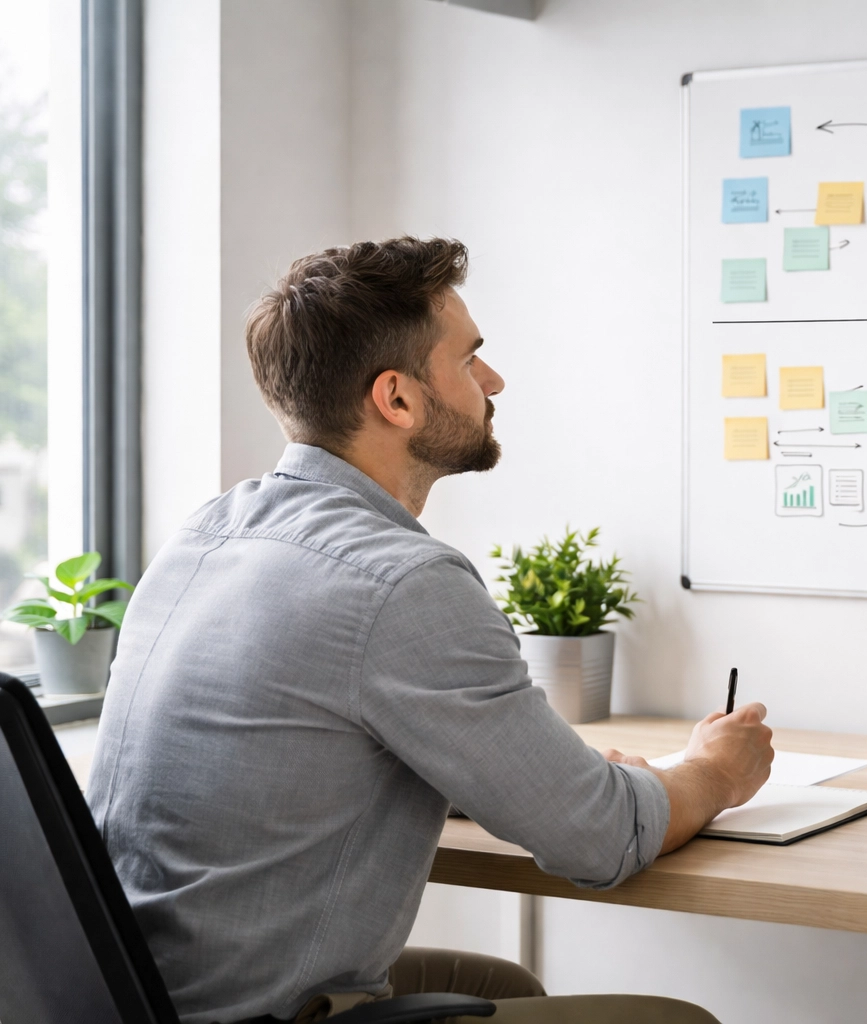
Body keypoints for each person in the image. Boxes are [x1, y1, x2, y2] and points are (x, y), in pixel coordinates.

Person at [87, 237, 773, 1024]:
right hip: (258, 1015)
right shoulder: (401, 583)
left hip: (137, 994)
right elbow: (604, 841)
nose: (493, 381)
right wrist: (715, 771)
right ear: (399, 400)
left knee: (504, 990)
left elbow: (296, 751)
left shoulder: (207, 532)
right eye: (470, 359)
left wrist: (537, 770)